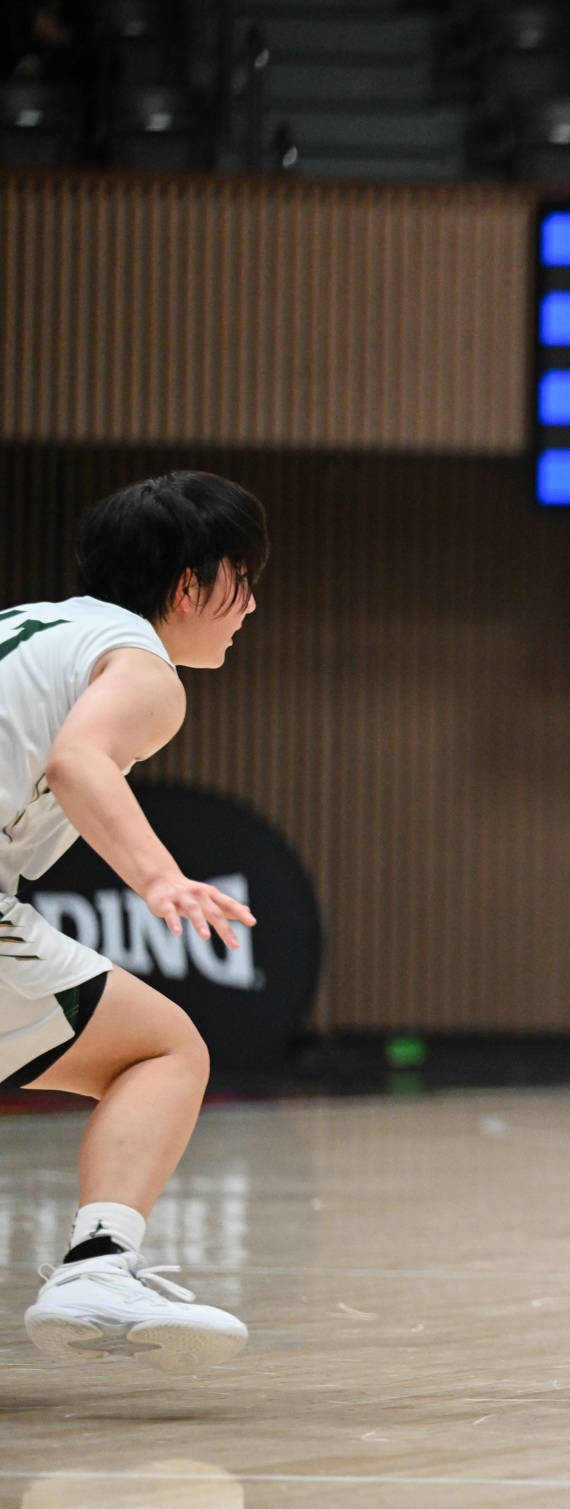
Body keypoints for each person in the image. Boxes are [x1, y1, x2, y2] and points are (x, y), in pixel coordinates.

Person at [7, 471, 264, 1375]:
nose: (251, 605)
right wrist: (160, 880)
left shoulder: (29, 626)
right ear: (189, 585)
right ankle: (97, 1270)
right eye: (241, 579)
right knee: (165, 1049)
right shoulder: (143, 667)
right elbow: (80, 759)